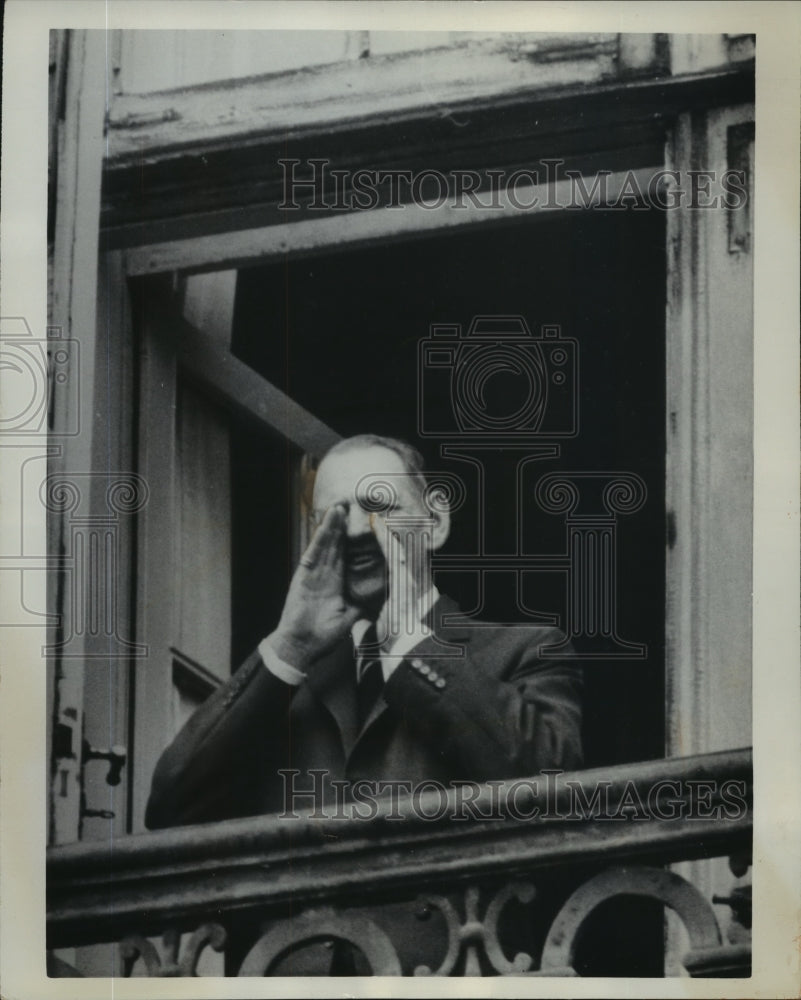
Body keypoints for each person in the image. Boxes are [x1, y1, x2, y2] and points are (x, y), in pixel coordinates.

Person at [145, 434, 583, 830]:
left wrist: (414, 648)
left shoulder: (526, 651)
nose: (355, 530)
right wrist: (291, 644)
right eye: (333, 517)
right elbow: (170, 810)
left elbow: (555, 795)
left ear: (435, 521)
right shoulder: (284, 683)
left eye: (378, 505)